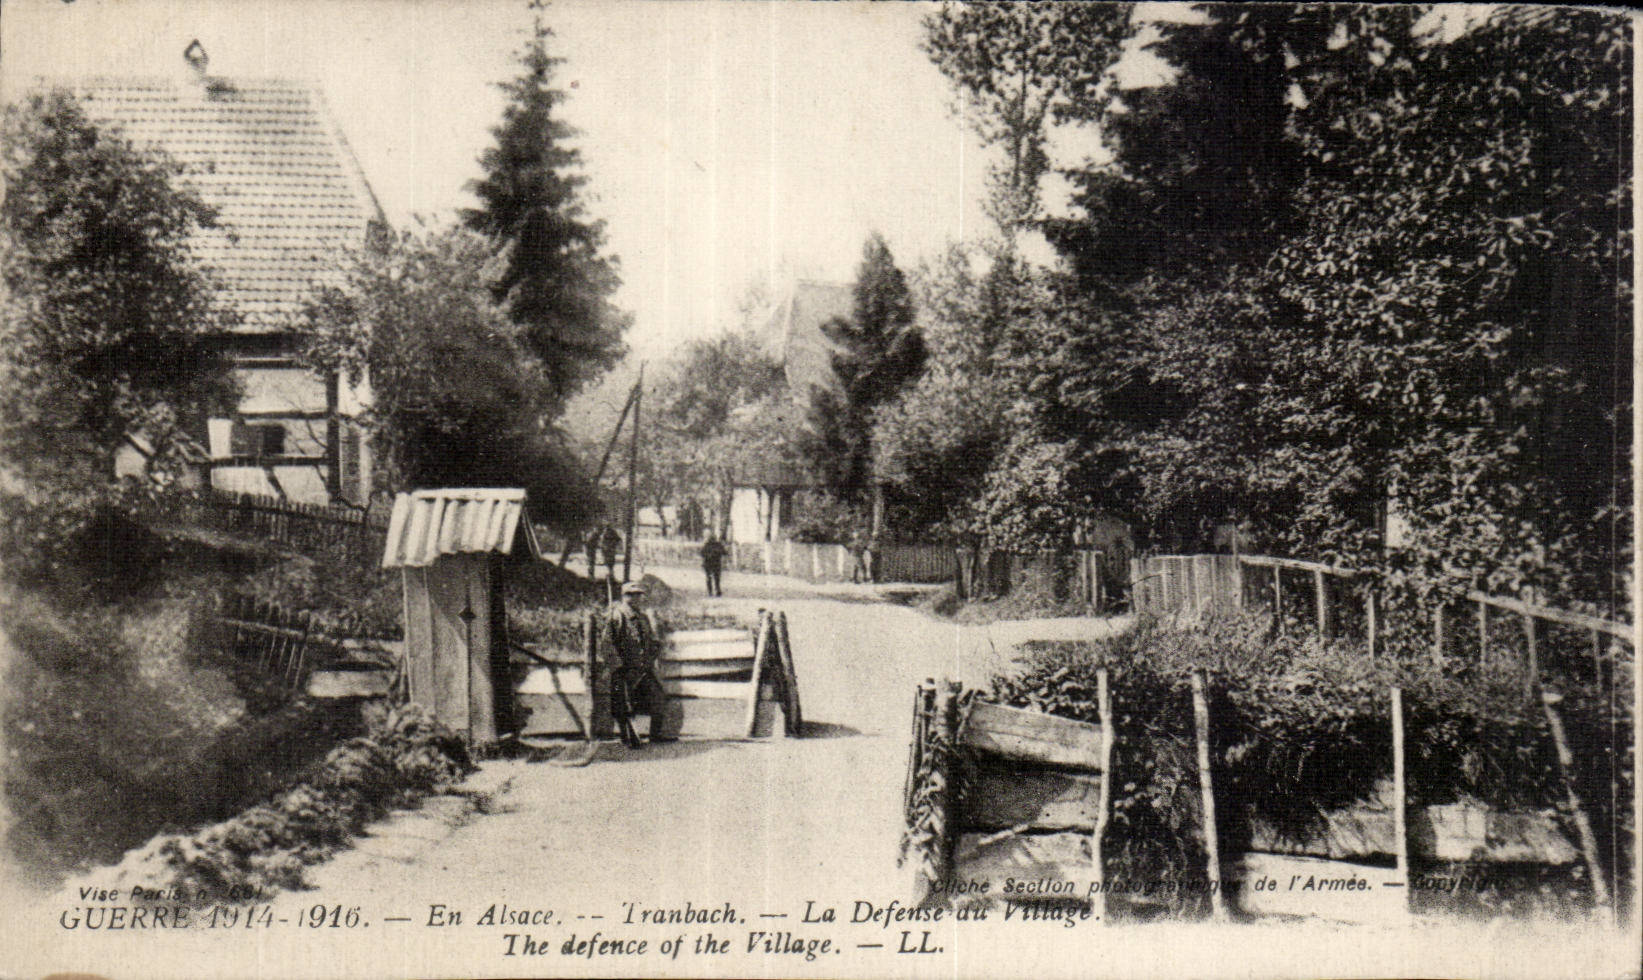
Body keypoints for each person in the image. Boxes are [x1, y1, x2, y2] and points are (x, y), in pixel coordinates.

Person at [603, 581, 668, 748]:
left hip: (643, 668)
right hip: (624, 669)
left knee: (658, 697)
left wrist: (655, 648)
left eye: (639, 595)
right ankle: (627, 738)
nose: (638, 598)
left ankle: (655, 736)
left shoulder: (643, 617)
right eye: (633, 595)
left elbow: (650, 640)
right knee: (623, 705)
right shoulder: (616, 616)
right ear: (625, 597)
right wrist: (618, 667)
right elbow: (607, 643)